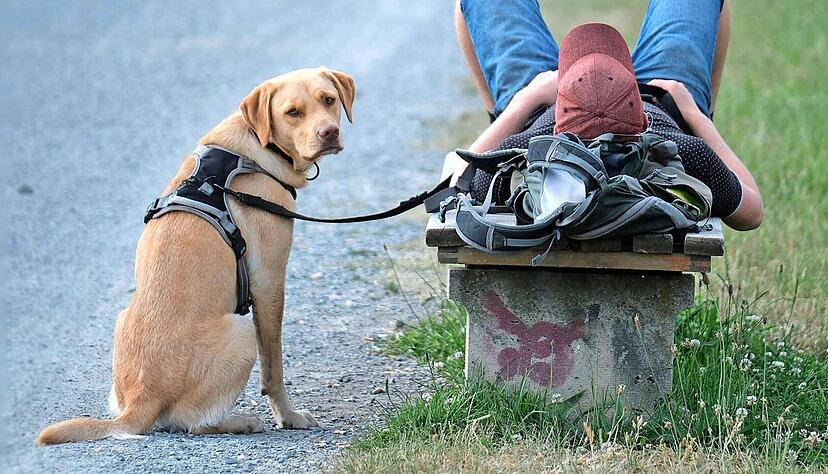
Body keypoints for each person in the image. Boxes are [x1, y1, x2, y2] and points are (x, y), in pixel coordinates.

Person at [451, 0, 763, 230]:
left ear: (557, 123)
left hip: (541, 107)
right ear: (644, 121)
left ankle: (505, 115)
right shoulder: (687, 151)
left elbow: (453, 180)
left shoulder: (527, 147)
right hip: (663, 104)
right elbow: (752, 212)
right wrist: (695, 116)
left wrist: (524, 102)